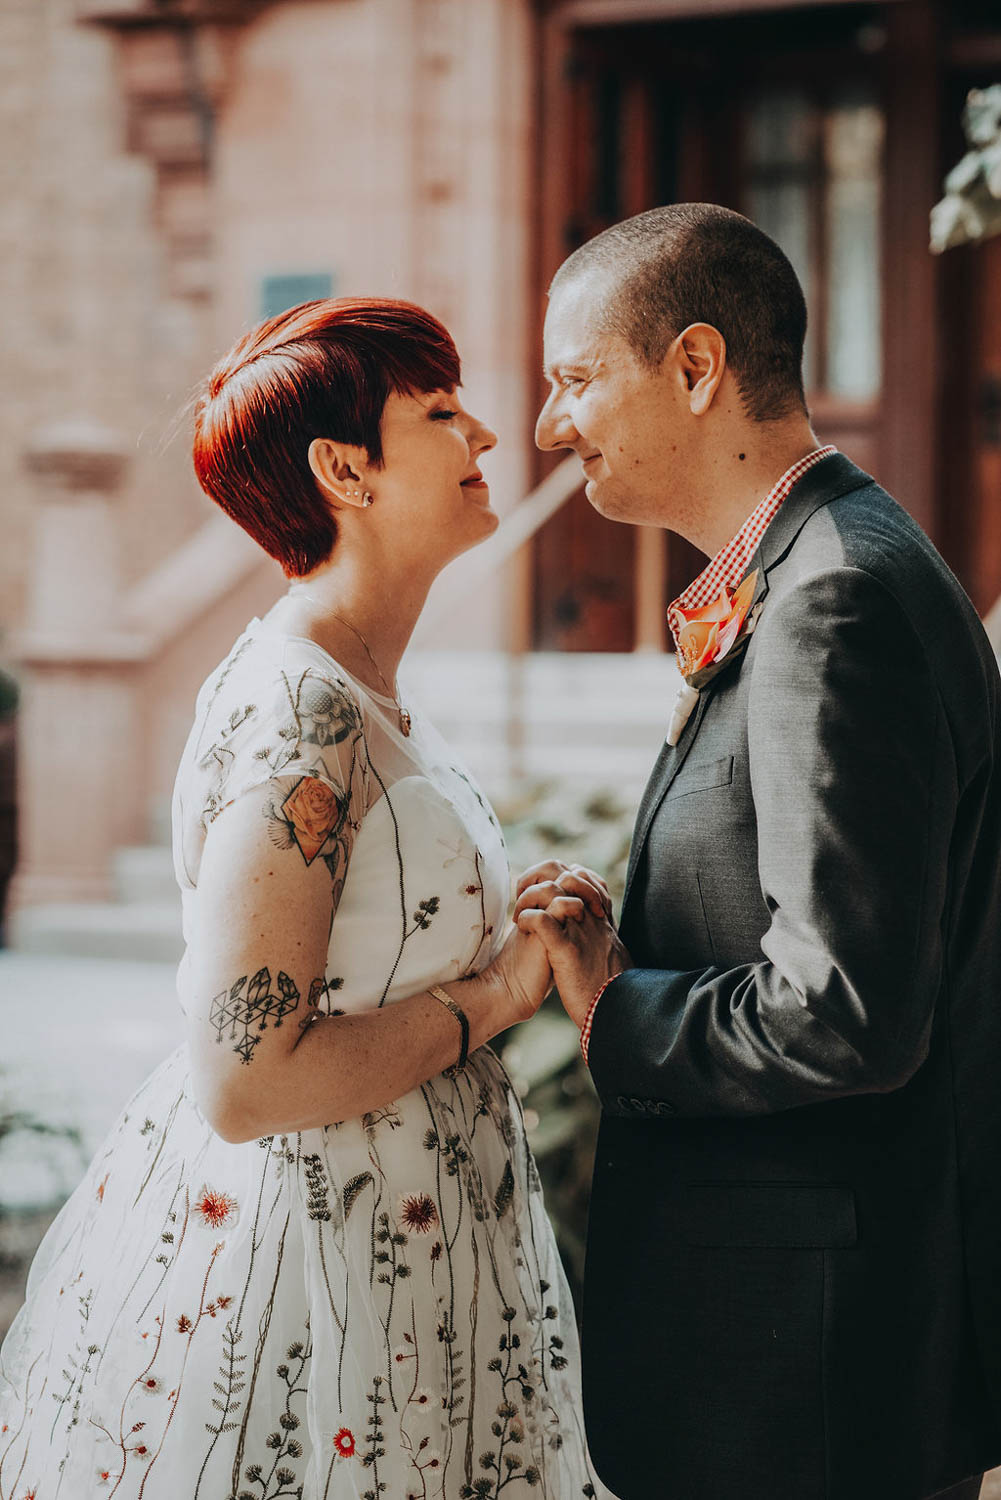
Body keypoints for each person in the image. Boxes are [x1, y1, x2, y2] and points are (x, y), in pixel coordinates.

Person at [0, 298, 606, 1500]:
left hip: (416, 1246)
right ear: (346, 470)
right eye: (437, 413)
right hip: (313, 1277)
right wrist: (497, 994)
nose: (485, 435)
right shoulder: (298, 709)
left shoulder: (367, 688)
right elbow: (246, 1078)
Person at [513, 204, 1001, 1500]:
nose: (553, 426)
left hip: (808, 1370)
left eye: (573, 379)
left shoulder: (831, 600)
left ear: (693, 367)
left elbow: (844, 1011)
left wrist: (615, 1009)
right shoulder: (818, 563)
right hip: (798, 1344)